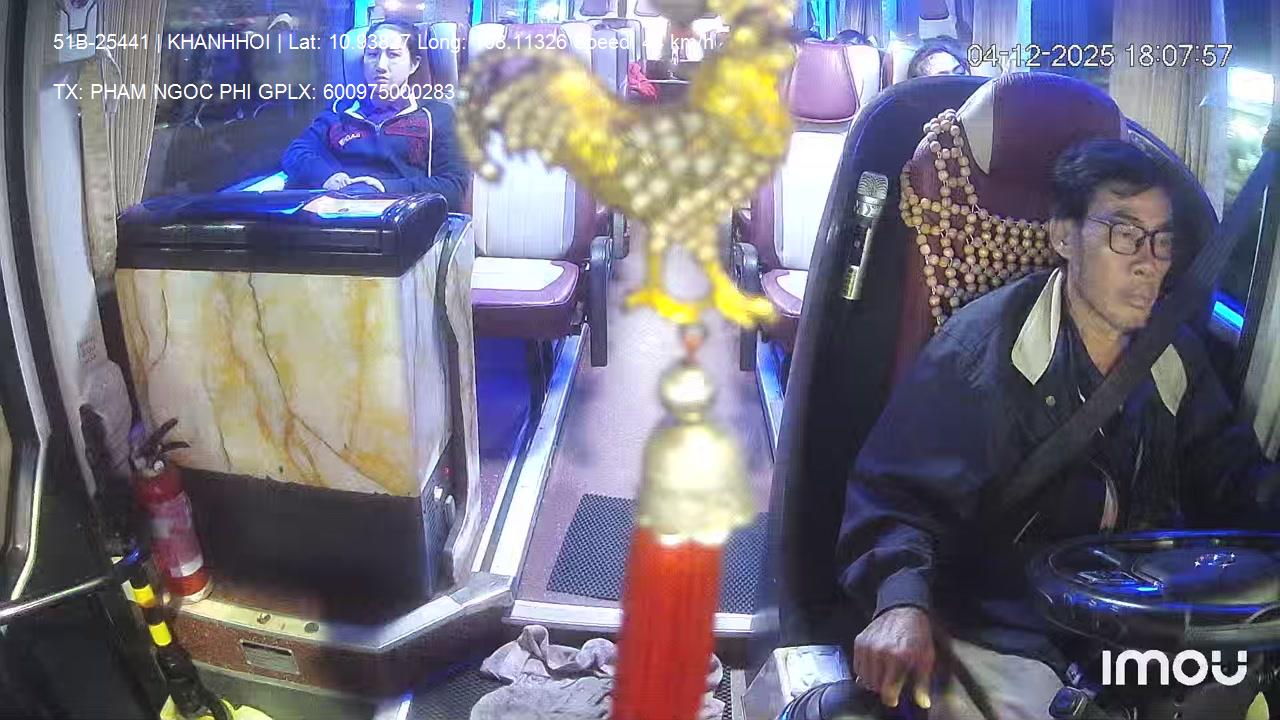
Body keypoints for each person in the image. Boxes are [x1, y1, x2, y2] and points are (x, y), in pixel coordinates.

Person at [836, 140, 1280, 719]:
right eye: (1125, 234)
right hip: (1006, 628)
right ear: (1064, 237)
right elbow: (896, 501)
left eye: (1161, 240)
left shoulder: (1173, 355)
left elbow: (1231, 476)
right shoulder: (981, 355)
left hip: (1137, 626)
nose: (1148, 261)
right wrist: (901, 602)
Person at [281, 21, 469, 209]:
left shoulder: (436, 115)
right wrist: (327, 176)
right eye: (372, 54)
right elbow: (296, 152)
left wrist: (383, 188)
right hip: (339, 213)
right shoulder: (340, 111)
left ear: (414, 64)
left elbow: (453, 187)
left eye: (393, 55)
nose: (381, 66)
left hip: (403, 215)